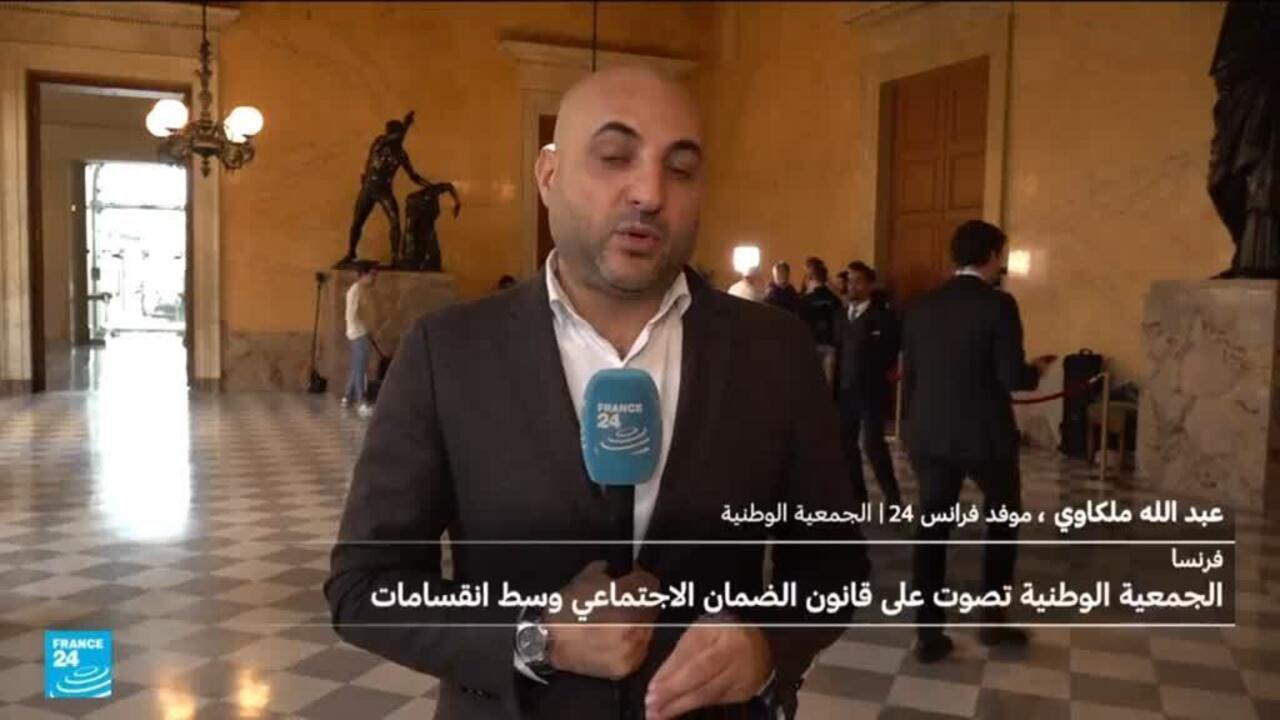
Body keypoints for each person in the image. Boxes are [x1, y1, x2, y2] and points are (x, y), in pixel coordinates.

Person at [325, 66, 868, 720]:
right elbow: (365, 588)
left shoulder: (775, 351)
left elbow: (835, 569)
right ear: (548, 175)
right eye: (615, 157)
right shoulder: (447, 352)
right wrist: (536, 638)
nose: (650, 192)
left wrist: (768, 645)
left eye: (681, 169)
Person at [900, 220, 1056, 664]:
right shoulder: (999, 304)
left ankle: (928, 633)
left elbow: (911, 375)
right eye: (1000, 255)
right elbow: (1012, 377)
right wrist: (1037, 370)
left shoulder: (922, 305)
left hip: (930, 431)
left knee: (932, 529)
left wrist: (912, 430)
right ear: (991, 256)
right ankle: (991, 619)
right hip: (985, 434)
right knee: (1002, 520)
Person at [835, 261, 901, 507]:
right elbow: (838, 354)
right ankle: (857, 497)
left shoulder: (884, 318)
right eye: (850, 281)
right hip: (845, 393)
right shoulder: (841, 316)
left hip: (871, 393)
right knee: (846, 447)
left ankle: (892, 499)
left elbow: (892, 353)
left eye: (858, 281)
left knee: (874, 447)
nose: (852, 286)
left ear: (870, 285)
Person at [343, 262, 378, 417]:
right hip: (358, 334)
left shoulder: (364, 290)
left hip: (363, 333)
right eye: (372, 274)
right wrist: (363, 331)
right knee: (361, 369)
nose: (374, 278)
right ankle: (361, 402)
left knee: (357, 366)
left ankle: (347, 397)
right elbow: (351, 316)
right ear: (363, 274)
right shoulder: (355, 291)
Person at [800, 259, 842, 386]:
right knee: (827, 385)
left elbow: (801, 322)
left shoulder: (805, 299)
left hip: (812, 342)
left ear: (810, 276)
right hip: (829, 343)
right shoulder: (834, 297)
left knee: (811, 383)